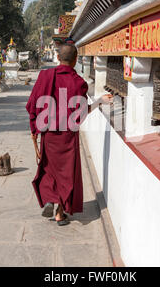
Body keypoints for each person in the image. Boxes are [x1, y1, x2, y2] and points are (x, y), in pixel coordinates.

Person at [26, 43, 113, 226]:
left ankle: (51, 198)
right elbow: (80, 114)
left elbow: (32, 104)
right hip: (67, 136)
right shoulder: (78, 83)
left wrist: (34, 129)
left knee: (49, 169)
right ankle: (59, 213)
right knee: (66, 174)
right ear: (76, 60)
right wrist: (99, 101)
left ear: (58, 58)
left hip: (49, 135)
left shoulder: (45, 76)